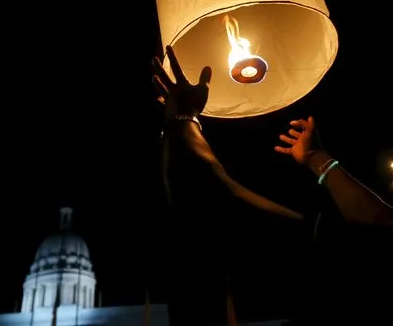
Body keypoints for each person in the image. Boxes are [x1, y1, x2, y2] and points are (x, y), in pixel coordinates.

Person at [153, 45, 393, 325]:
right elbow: (380, 220)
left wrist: (183, 119)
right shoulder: (365, 260)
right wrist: (318, 159)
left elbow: (214, 197)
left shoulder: (350, 270)